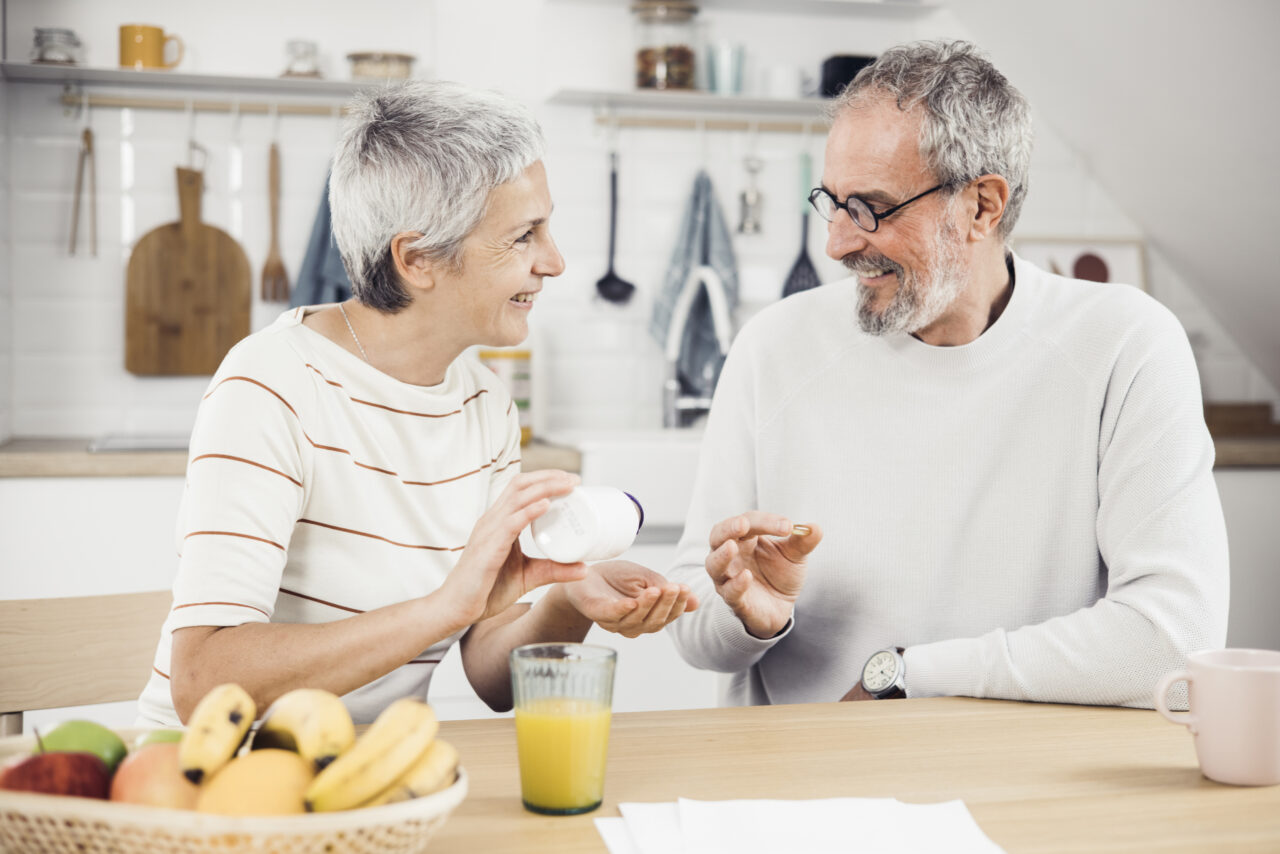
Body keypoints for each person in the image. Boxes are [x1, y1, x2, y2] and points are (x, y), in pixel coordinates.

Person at [667, 40, 1228, 709]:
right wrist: (749, 617)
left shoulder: (1124, 345)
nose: (838, 243)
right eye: (833, 201)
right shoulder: (774, 347)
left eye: (871, 207)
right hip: (807, 775)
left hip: (1028, 779)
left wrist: (910, 674)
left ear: (983, 206)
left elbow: (1173, 636)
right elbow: (694, 625)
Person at [137, 81, 696, 726]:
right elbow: (204, 681)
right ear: (418, 258)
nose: (556, 261)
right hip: (214, 779)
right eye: (524, 235)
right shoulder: (271, 385)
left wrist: (568, 598)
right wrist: (445, 606)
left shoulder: (485, 402)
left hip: (375, 779)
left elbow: (491, 673)